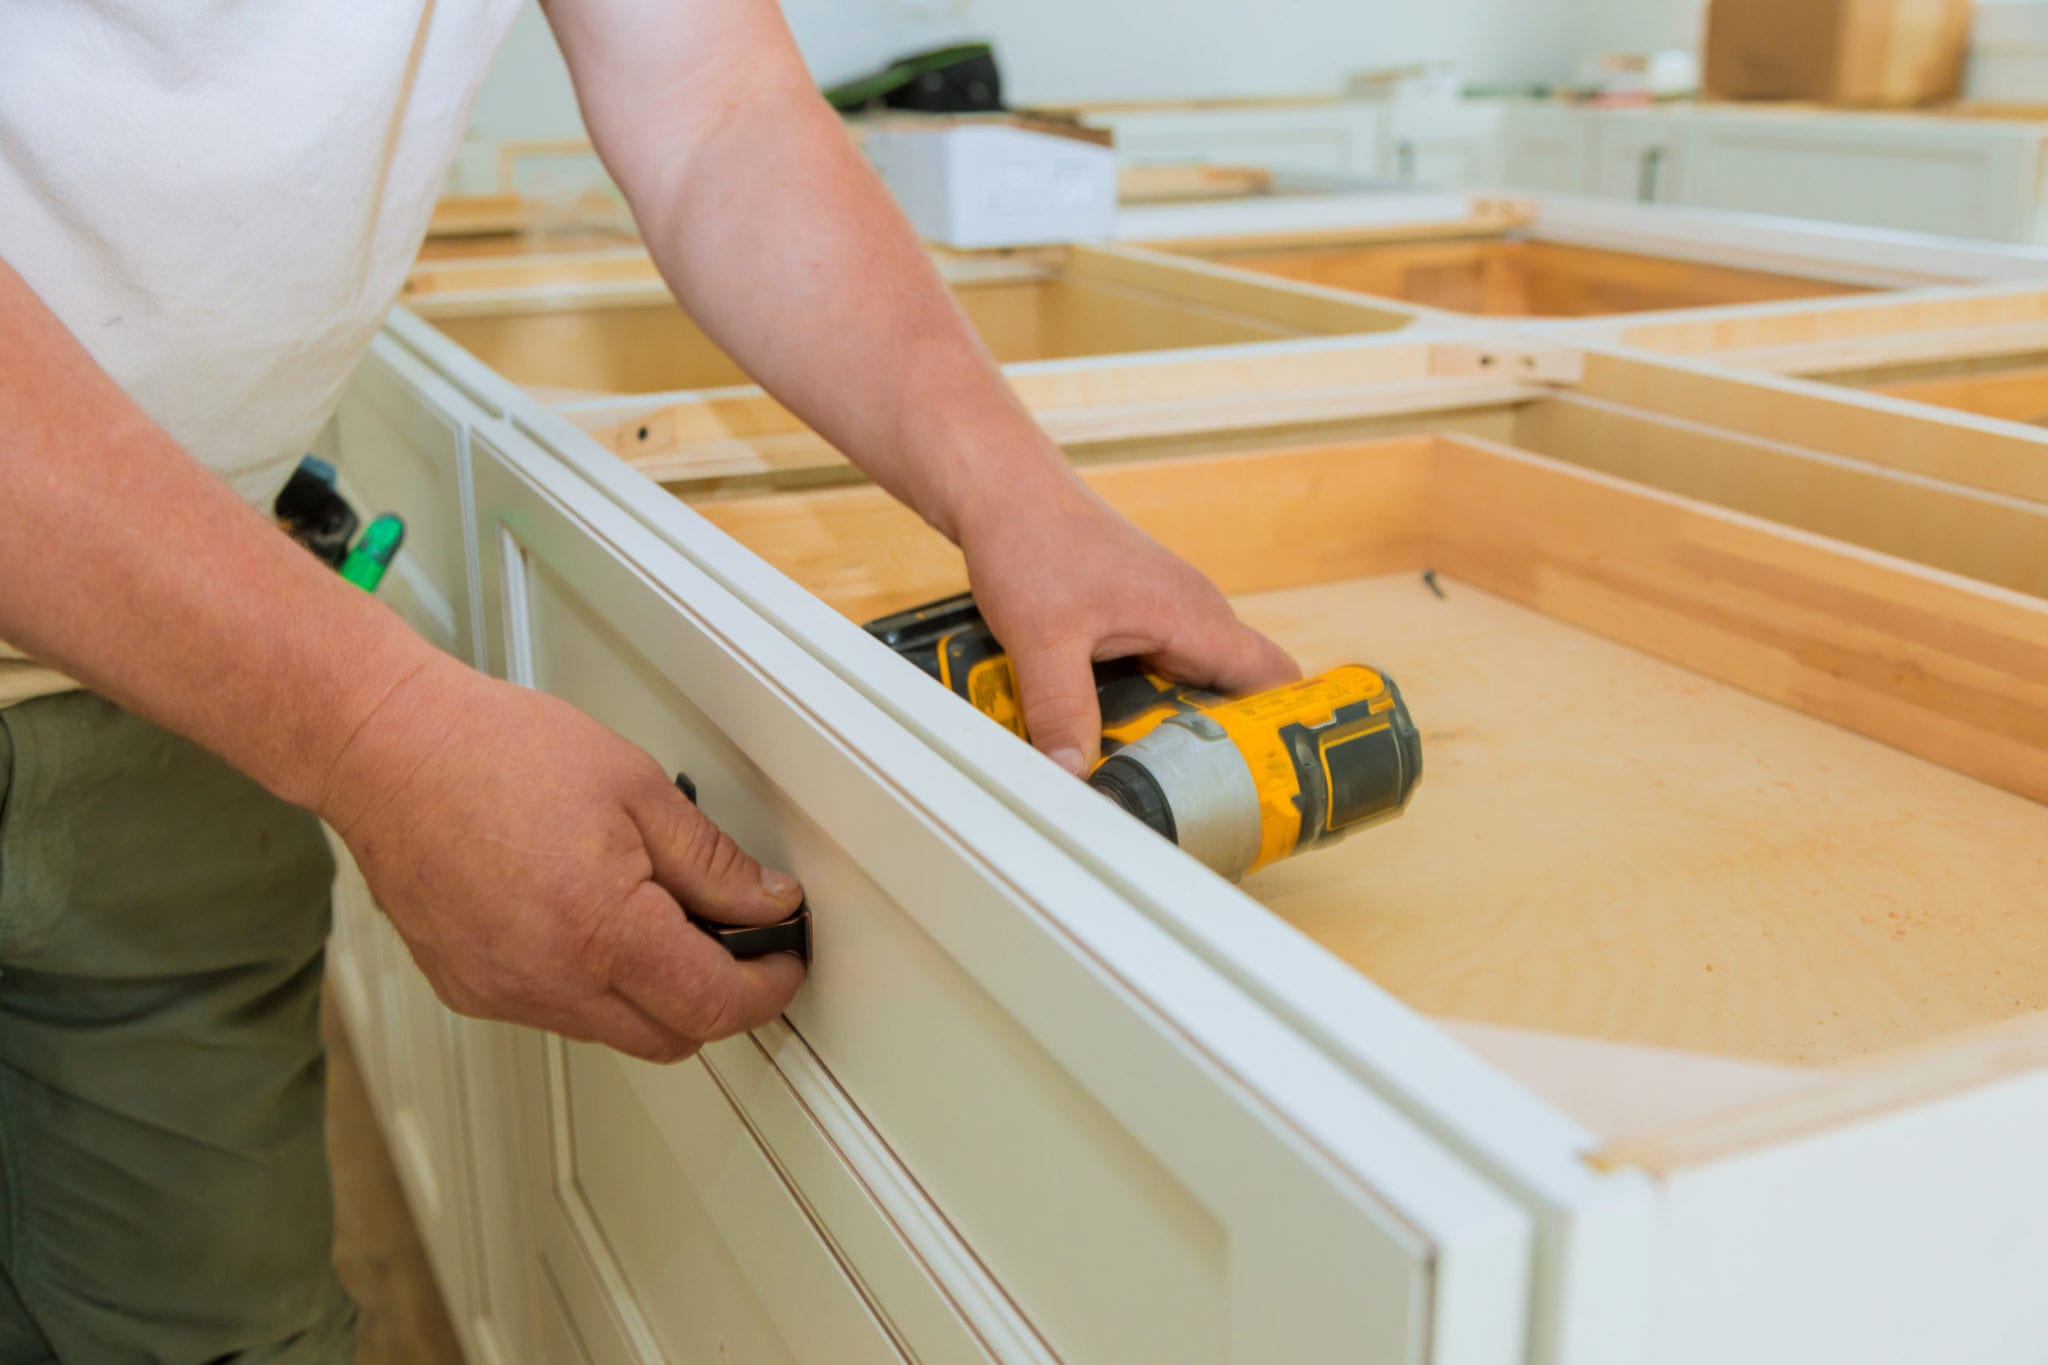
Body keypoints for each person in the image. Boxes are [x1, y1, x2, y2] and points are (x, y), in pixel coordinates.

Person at [0, 0, 1298, 1357]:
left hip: (181, 675)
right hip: (253, 664)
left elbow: (716, 104)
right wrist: (372, 722)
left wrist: (1014, 487)